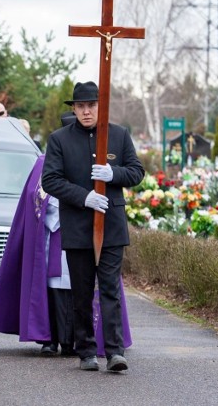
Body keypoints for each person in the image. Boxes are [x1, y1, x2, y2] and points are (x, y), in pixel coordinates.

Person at [0, 154, 132, 358]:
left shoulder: (97, 159)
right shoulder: (45, 161)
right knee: (52, 288)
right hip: (53, 235)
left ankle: (79, 340)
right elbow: (35, 194)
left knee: (84, 288)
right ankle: (50, 338)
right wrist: (61, 213)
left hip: (86, 234)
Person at [41, 81, 144, 372]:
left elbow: (137, 172)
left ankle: (114, 351)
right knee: (82, 292)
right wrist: (83, 196)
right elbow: (51, 180)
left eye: (91, 105)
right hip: (77, 226)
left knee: (110, 289)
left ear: (101, 106)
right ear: (74, 109)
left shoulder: (119, 135)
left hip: (111, 226)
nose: (86, 111)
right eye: (81, 106)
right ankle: (86, 349)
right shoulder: (59, 139)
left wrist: (114, 174)